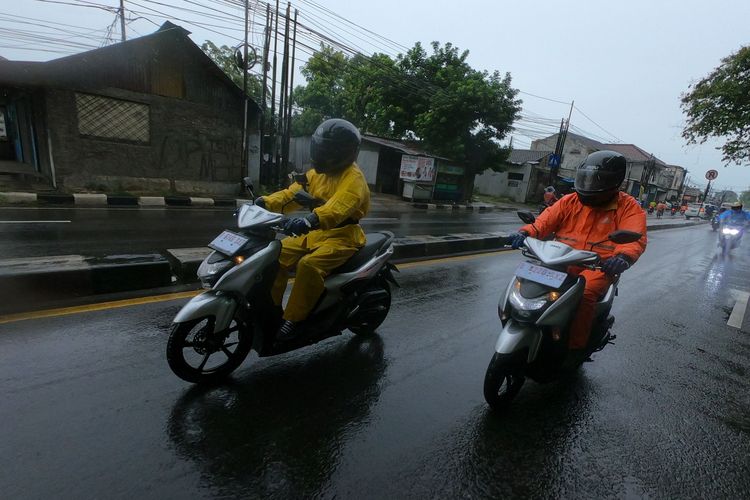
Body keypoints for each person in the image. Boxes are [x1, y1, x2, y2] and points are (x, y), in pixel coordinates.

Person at [507, 151, 647, 365]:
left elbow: (634, 238)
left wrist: (623, 257)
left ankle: (574, 349)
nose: (590, 185)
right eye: (587, 179)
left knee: (585, 293)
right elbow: (544, 223)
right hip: (557, 260)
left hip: (599, 266)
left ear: (615, 182)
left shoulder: (628, 207)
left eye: (597, 181)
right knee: (526, 280)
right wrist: (525, 232)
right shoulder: (569, 201)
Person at [255, 119, 370, 340]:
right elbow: (292, 194)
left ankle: (294, 320)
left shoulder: (354, 180)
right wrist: (266, 202)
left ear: (342, 153)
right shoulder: (317, 174)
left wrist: (310, 220)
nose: (319, 155)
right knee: (273, 255)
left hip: (343, 237)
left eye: (326, 151)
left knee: (308, 266)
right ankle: (271, 309)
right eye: (319, 148)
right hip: (315, 233)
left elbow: (338, 207)